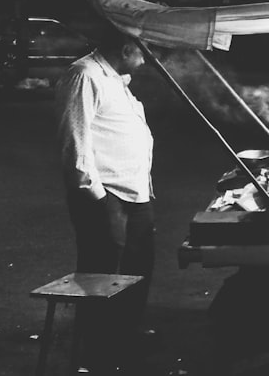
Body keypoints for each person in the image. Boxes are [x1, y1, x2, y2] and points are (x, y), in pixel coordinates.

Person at [55, 24, 157, 370]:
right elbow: (74, 142)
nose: (147, 58)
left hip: (136, 192)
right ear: (126, 48)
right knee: (103, 274)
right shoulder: (84, 75)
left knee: (137, 270)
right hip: (107, 195)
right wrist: (96, 198)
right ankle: (96, 352)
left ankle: (123, 339)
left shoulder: (117, 80)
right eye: (142, 50)